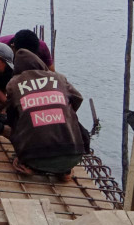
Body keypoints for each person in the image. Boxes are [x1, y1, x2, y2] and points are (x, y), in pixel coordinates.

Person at [6, 49, 90, 181]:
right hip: (73, 155)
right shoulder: (59, 78)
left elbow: (10, 116)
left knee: (18, 118)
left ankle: (28, 165)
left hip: (33, 158)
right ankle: (65, 171)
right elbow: (78, 99)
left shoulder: (14, 83)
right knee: (70, 115)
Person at [0, 29, 48, 107]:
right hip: (4, 68)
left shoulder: (42, 47)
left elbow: (51, 74)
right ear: (12, 47)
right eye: (21, 55)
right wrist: (9, 106)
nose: (24, 59)